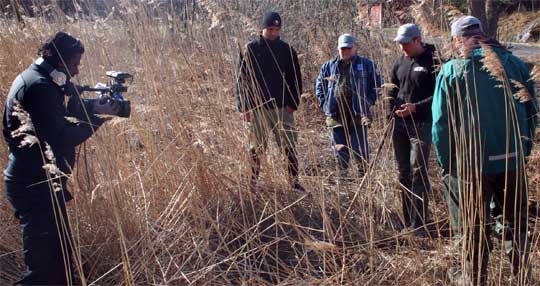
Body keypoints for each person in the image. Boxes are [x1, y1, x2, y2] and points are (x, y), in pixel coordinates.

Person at [3, 32, 120, 285]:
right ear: (60, 63)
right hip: (35, 186)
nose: (77, 72)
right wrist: (98, 118)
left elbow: (55, 118)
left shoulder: (41, 79)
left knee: (62, 263)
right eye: (75, 64)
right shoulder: (40, 88)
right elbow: (62, 135)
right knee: (45, 273)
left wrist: (92, 107)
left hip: (39, 183)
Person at [432, 16, 537, 285]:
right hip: (512, 161)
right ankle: (522, 276)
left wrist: (449, 165)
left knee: (473, 229)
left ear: (457, 40)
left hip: (470, 168)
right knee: (516, 225)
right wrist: (522, 151)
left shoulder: (452, 71)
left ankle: (474, 279)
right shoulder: (514, 64)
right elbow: (531, 112)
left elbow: (440, 125)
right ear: (481, 34)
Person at [236, 11, 304, 192]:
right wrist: (244, 107)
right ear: (262, 28)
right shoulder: (251, 49)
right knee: (256, 149)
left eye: (277, 29)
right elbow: (242, 80)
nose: (274, 33)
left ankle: (294, 183)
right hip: (258, 109)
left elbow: (295, 79)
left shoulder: (287, 50)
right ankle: (252, 183)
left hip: (282, 108)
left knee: (289, 147)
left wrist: (292, 104)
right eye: (270, 29)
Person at [385, 24, 438, 236]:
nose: (402, 48)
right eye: (400, 44)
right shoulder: (400, 62)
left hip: (422, 125)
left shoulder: (434, 61)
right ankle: (407, 220)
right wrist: (390, 112)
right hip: (399, 126)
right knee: (404, 173)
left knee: (419, 172)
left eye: (406, 44)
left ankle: (419, 224)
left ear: (418, 40)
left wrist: (416, 107)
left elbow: (440, 95)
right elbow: (392, 88)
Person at [315, 33, 382, 181]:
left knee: (360, 150)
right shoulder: (328, 66)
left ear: (355, 48)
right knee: (340, 150)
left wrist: (368, 103)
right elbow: (320, 87)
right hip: (336, 114)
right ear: (338, 49)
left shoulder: (367, 65)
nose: (345, 51)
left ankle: (363, 179)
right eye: (342, 48)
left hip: (358, 114)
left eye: (348, 48)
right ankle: (343, 178)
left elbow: (377, 86)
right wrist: (325, 105)